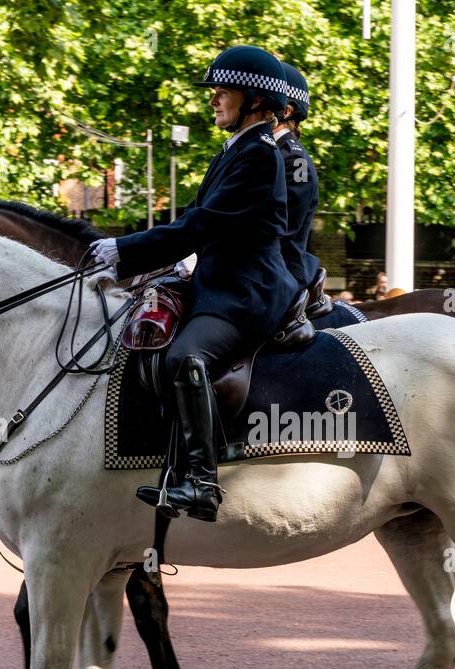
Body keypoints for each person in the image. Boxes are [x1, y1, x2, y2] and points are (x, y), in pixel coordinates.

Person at [86, 45, 296, 522]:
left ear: (257, 100)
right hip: (216, 286)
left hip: (246, 294)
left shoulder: (260, 156)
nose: (214, 98)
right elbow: (198, 224)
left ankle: (201, 482)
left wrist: (125, 249)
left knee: (186, 357)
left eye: (224, 91)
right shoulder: (237, 149)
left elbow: (202, 224)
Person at [272, 62, 323, 306]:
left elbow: (282, 230)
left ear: (287, 111)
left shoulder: (294, 160)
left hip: (279, 276)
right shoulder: (264, 152)